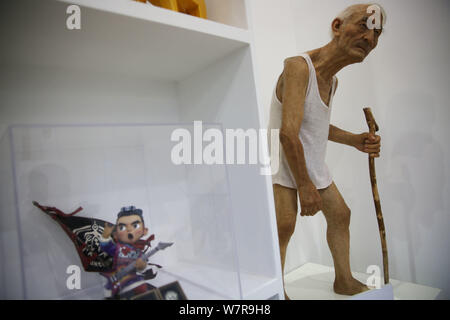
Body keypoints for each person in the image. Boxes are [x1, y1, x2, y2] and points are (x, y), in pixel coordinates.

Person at [268, 3, 385, 298]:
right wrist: (305, 186)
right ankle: (275, 292)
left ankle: (343, 281)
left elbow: (316, 127)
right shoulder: (297, 66)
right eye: (364, 26)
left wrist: (355, 140)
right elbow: (287, 134)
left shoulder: (332, 82)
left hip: (307, 156)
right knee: (284, 225)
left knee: (340, 215)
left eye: (377, 34)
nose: (370, 40)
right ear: (337, 26)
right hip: (280, 156)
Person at [100, 206, 156, 299]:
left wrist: (141, 266)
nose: (129, 230)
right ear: (116, 232)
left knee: (141, 288)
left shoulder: (139, 252)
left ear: (144, 231)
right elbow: (106, 246)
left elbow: (142, 268)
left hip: (132, 279)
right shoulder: (118, 248)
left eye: (135, 226)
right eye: (122, 227)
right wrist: (105, 235)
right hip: (116, 279)